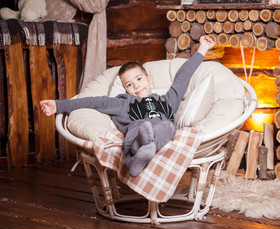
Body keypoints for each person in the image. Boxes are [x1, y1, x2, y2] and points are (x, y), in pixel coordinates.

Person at [40, 35, 215, 177]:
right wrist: (59, 105)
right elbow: (93, 101)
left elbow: (183, 77)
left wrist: (202, 49)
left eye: (139, 79)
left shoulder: (167, 100)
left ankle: (146, 148)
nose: (136, 86)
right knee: (138, 126)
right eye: (129, 84)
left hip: (160, 134)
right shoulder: (123, 102)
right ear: (125, 89)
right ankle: (134, 159)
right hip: (137, 132)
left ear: (149, 79)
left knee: (167, 126)